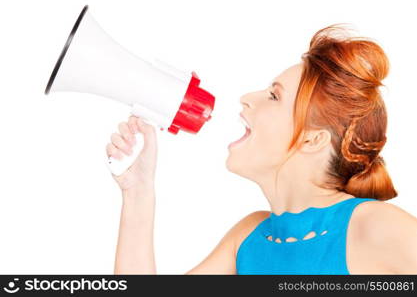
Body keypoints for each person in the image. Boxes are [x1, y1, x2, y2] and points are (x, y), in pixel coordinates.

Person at [106, 24, 417, 274]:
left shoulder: (374, 225)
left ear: (312, 139)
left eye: (273, 96)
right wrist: (138, 192)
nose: (247, 97)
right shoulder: (248, 238)